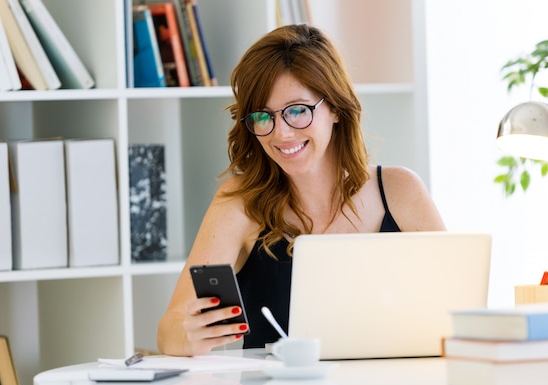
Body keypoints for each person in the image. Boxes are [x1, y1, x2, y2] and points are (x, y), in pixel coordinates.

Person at [157, 24, 446, 356]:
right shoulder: (239, 202)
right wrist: (185, 335)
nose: (281, 133)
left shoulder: (399, 192)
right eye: (263, 116)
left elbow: (457, 314)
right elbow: (169, 329)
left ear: (335, 107)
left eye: (297, 111)